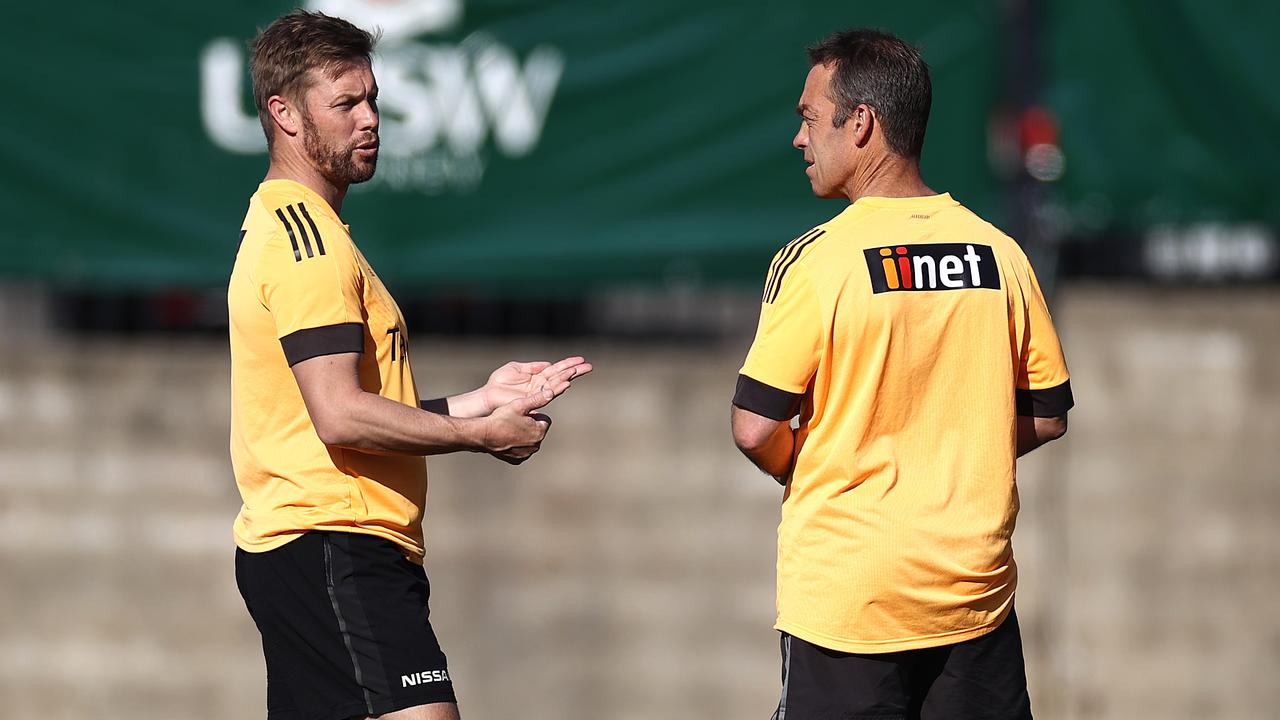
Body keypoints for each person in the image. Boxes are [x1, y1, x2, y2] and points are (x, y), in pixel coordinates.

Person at [227, 11, 591, 720]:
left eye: (373, 100)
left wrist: (477, 401)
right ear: (284, 115)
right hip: (336, 545)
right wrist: (481, 438)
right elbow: (340, 416)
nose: (369, 120)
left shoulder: (302, 231)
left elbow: (342, 409)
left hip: (323, 548)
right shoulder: (310, 244)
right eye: (345, 104)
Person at [730, 28, 1072, 720]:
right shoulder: (999, 253)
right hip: (973, 603)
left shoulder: (817, 260)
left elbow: (753, 427)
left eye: (807, 117)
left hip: (850, 606)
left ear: (860, 124)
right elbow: (1047, 416)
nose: (799, 138)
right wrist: (954, 449)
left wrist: (807, 463)